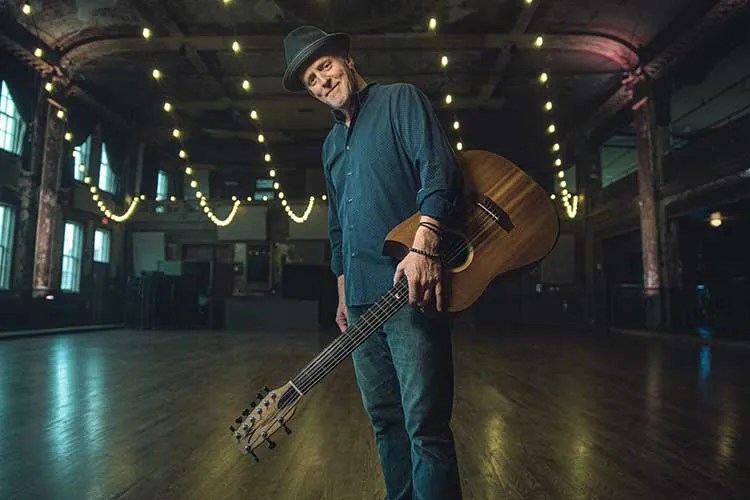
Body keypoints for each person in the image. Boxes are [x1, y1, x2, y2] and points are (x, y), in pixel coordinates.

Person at [282, 26, 464, 500]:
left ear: (346, 58)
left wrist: (424, 245)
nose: (322, 81)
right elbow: (338, 226)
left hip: (410, 290)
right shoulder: (329, 148)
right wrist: (342, 287)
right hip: (360, 301)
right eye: (311, 80)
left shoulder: (400, 99)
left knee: (424, 424)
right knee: (385, 421)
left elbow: (438, 168)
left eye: (325, 66)